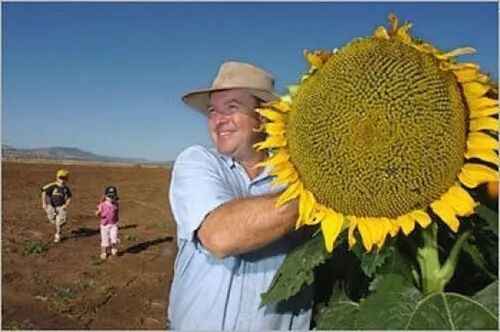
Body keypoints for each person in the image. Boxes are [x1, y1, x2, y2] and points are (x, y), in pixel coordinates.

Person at [167, 61, 313, 330]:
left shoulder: (298, 176)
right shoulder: (197, 162)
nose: (218, 120)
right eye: (213, 111)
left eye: (232, 108)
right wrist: (324, 194)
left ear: (264, 117)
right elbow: (219, 235)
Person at [41, 168, 73, 243]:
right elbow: (43, 191)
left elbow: (69, 196)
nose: (62, 180)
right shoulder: (53, 186)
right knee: (52, 220)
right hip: (51, 206)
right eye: (60, 178)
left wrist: (66, 205)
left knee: (59, 222)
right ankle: (56, 221)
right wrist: (44, 203)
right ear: (57, 177)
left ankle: (58, 235)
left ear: (67, 179)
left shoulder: (65, 188)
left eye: (64, 178)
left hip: (61, 207)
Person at [95, 186, 120, 260]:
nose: (111, 198)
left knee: (114, 237)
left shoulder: (116, 204)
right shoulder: (102, 205)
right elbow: (96, 214)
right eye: (109, 196)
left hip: (113, 224)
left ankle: (113, 248)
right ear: (105, 196)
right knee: (104, 240)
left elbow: (116, 213)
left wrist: (117, 220)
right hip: (104, 225)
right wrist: (99, 212)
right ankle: (103, 252)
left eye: (113, 196)